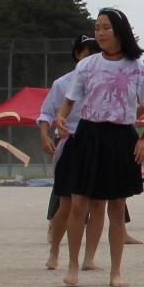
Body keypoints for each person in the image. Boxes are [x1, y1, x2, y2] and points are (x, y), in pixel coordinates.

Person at [52, 8, 144, 287]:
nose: (99, 33)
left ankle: (115, 271)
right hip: (88, 134)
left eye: (105, 28)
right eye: (97, 27)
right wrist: (61, 117)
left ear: (119, 31)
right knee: (79, 204)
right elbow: (70, 99)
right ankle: (73, 265)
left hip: (121, 137)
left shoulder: (138, 67)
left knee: (116, 207)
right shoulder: (87, 65)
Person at [39, 36, 101, 270]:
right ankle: (55, 250)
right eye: (88, 53)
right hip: (71, 143)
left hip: (98, 146)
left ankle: (89, 258)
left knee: (98, 205)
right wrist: (45, 135)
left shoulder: (106, 81)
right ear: (78, 55)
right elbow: (46, 114)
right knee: (67, 204)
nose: (93, 58)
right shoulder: (62, 84)